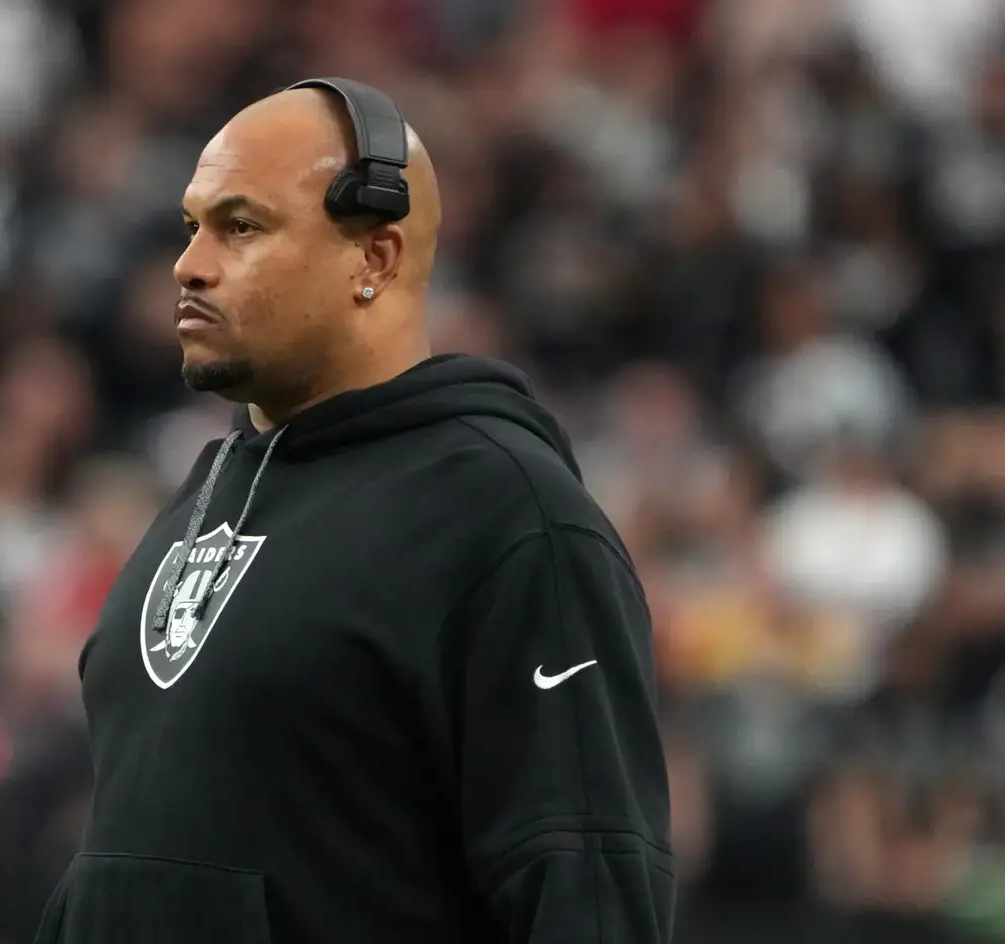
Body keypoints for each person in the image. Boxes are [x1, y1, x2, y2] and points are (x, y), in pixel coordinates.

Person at [33, 79, 675, 943]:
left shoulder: (508, 517)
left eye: (242, 226)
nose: (188, 263)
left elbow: (588, 898)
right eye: (193, 227)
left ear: (373, 259)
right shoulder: (206, 492)